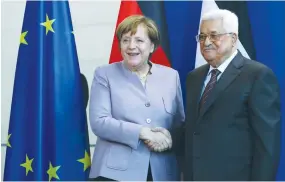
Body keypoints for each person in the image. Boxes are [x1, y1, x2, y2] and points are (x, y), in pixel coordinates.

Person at [180, 9, 281, 181]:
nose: (206, 42)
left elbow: (266, 145)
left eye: (214, 35)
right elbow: (195, 129)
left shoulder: (257, 75)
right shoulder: (194, 78)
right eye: (202, 37)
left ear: (233, 38)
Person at [88, 15, 185, 181]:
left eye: (139, 40)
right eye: (125, 40)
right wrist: (143, 132)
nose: (131, 46)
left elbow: (179, 124)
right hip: (114, 173)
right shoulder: (104, 74)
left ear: (152, 46)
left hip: (162, 173)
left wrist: (169, 138)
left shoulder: (171, 76)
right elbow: (99, 122)